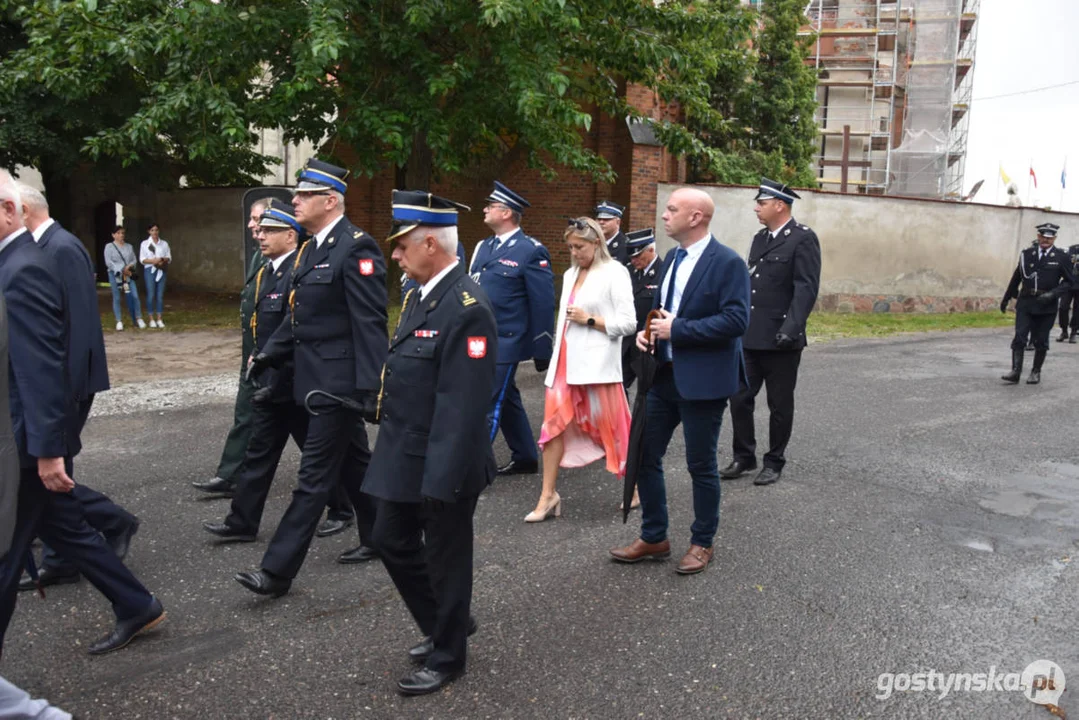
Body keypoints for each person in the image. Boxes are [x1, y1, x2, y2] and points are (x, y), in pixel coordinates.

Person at [0, 170, 164, 655]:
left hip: (30, 435)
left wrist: (53, 443)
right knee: (63, 526)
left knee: (8, 553)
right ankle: (136, 601)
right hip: (26, 430)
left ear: (13, 211)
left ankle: (133, 593)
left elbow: (54, 350)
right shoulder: (17, 260)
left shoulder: (38, 259)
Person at [363, 190, 497, 696]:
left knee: (447, 560)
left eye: (401, 247)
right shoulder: (422, 294)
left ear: (431, 246)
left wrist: (441, 481)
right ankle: (449, 621)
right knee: (389, 539)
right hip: (405, 451)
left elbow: (462, 406)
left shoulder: (467, 307)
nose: (394, 255)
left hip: (444, 463)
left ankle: (447, 656)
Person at [240, 159, 387, 596]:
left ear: (330, 200)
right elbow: (300, 314)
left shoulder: (356, 247)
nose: (295, 201)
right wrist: (268, 353)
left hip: (337, 386)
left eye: (303, 195)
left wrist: (372, 389)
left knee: (313, 478)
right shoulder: (311, 248)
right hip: (312, 379)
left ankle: (277, 571)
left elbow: (370, 323)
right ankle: (382, 537)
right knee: (356, 464)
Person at [609, 187, 750, 576]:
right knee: (645, 456)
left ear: (696, 217)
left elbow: (737, 321)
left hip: (703, 381)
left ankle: (702, 542)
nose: (664, 215)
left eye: (672, 209)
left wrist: (679, 329)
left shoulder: (728, 263)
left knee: (700, 464)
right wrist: (648, 331)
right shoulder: (672, 257)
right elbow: (665, 312)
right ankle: (654, 536)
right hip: (662, 376)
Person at [15, 184, 139, 592]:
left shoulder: (61, 247)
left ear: (23, 209)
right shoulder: (42, 247)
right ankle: (72, 546)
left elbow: (80, 323)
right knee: (43, 473)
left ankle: (105, 526)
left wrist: (66, 387)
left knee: (49, 469)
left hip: (67, 381)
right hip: (57, 380)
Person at [203, 199, 311, 542]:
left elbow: (295, 325)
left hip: (294, 380)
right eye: (260, 229)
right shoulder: (267, 270)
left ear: (291, 236)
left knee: (324, 457)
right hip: (271, 379)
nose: (260, 236)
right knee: (259, 454)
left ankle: (346, 510)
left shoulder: (299, 270)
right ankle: (242, 522)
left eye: (269, 231)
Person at [528, 217, 636, 522]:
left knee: (614, 428)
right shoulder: (570, 273)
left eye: (580, 246)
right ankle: (548, 496)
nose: (575, 252)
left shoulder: (616, 272)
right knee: (552, 428)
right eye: (571, 247)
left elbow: (629, 323)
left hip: (598, 366)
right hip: (563, 365)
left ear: (597, 243)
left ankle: (636, 486)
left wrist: (590, 319)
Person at [721, 179, 821, 487]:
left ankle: (774, 461)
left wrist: (791, 328)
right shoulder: (759, 239)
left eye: (761, 203)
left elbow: (805, 288)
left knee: (779, 404)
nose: (756, 207)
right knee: (739, 398)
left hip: (781, 339)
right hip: (751, 336)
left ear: (780, 205)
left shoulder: (803, 239)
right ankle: (744, 457)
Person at [468, 181, 555, 476]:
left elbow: (542, 304)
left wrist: (543, 347)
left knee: (488, 401)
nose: (484, 209)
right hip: (479, 336)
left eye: (490, 206)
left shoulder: (531, 251)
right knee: (507, 399)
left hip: (507, 339)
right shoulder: (483, 246)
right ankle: (526, 456)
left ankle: (472, 468)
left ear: (506, 213)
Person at [194, 197, 274, 498]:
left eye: (257, 219)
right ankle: (230, 475)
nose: (251, 225)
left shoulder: (290, 256)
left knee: (301, 427)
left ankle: (343, 494)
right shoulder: (259, 256)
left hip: (273, 354)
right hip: (252, 349)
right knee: (245, 412)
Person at [1000, 222, 1076, 384]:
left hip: (1046, 305)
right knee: (1020, 337)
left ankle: (1036, 371)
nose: (1045, 240)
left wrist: (1053, 294)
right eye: (1043, 237)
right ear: (1038, 236)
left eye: (1049, 238)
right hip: (1026, 302)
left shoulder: (1062, 257)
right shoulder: (1027, 254)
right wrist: (1006, 298)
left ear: (1054, 238)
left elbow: (1070, 282)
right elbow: (1017, 277)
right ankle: (1015, 371)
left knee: (1041, 340)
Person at [621, 228, 660, 391]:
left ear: (651, 250)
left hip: (647, 341)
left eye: (637, 255)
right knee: (618, 387)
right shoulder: (628, 272)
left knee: (646, 393)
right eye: (631, 256)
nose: (633, 260)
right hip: (626, 340)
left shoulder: (663, 272)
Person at [103, 226, 145, 331]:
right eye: (118, 233)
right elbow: (108, 262)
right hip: (115, 275)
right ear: (113, 235)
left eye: (122, 233)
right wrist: (121, 269)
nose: (121, 235)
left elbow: (134, 260)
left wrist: (129, 267)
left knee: (134, 296)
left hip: (127, 276)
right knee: (117, 297)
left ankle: (138, 318)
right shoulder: (109, 247)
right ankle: (119, 320)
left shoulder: (129, 247)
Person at [139, 222, 171, 328]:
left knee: (160, 295)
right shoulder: (144, 244)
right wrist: (153, 261)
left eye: (156, 230)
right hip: (150, 270)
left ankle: (159, 318)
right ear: (149, 231)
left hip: (161, 270)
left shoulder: (164, 243)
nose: (155, 232)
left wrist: (161, 259)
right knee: (151, 294)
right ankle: (151, 318)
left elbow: (169, 257)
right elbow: (142, 259)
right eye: (152, 230)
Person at [1056, 237, 1079, 343]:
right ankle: (1064, 330)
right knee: (1063, 307)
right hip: (1068, 283)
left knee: (1077, 310)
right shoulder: (1071, 249)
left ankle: (1074, 332)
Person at [594, 200, 630, 266]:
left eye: (606, 219)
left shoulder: (626, 246)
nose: (601, 222)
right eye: (599, 219)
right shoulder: (593, 243)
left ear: (618, 222)